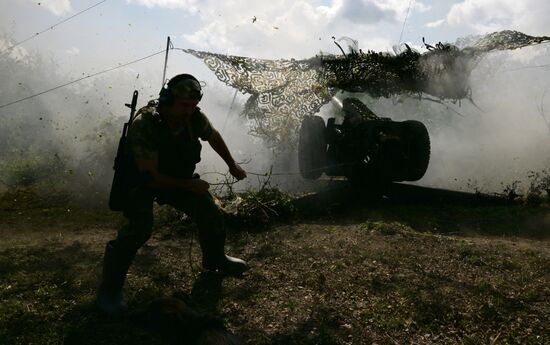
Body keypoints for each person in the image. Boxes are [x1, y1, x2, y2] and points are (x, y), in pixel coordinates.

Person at [97, 74, 248, 315]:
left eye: (193, 105)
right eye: (183, 105)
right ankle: (109, 291)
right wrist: (190, 185)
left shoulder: (193, 117)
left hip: (178, 179)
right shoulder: (146, 125)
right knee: (139, 229)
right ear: (167, 100)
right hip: (142, 183)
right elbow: (153, 179)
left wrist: (232, 164)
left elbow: (213, 135)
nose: (189, 111)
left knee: (210, 212)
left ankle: (215, 260)